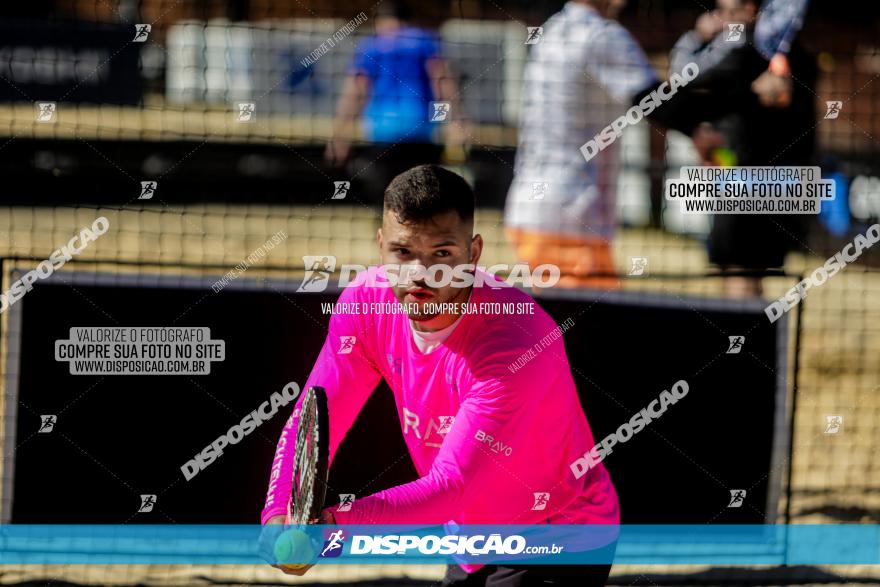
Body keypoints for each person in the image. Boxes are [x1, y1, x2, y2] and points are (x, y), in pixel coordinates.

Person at [262, 165, 619, 586]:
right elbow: (316, 416)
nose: (420, 274)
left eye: (442, 254)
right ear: (381, 246)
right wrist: (278, 512)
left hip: (557, 535)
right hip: (466, 537)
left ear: (474, 252)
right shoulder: (366, 303)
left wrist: (331, 531)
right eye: (402, 252)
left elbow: (451, 486)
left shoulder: (515, 342)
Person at [504, 0, 714, 289]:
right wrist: (704, 133)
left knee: (563, 325)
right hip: (573, 212)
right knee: (593, 328)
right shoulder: (602, 35)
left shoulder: (553, 30)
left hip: (530, 210)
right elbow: (652, 99)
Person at [669, 0, 816, 297]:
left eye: (730, 11)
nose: (722, 18)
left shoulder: (747, 47)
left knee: (740, 271)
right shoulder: (787, 51)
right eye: (719, 11)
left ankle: (740, 340)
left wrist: (697, 37)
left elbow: (682, 81)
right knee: (746, 270)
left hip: (750, 177)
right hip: (770, 178)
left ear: (751, 10)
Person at [325, 1, 468, 204]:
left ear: (381, 20)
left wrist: (340, 135)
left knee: (388, 198)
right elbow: (442, 82)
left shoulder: (372, 45)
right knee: (423, 197)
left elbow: (355, 92)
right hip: (420, 131)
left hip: (382, 132)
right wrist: (456, 121)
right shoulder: (424, 41)